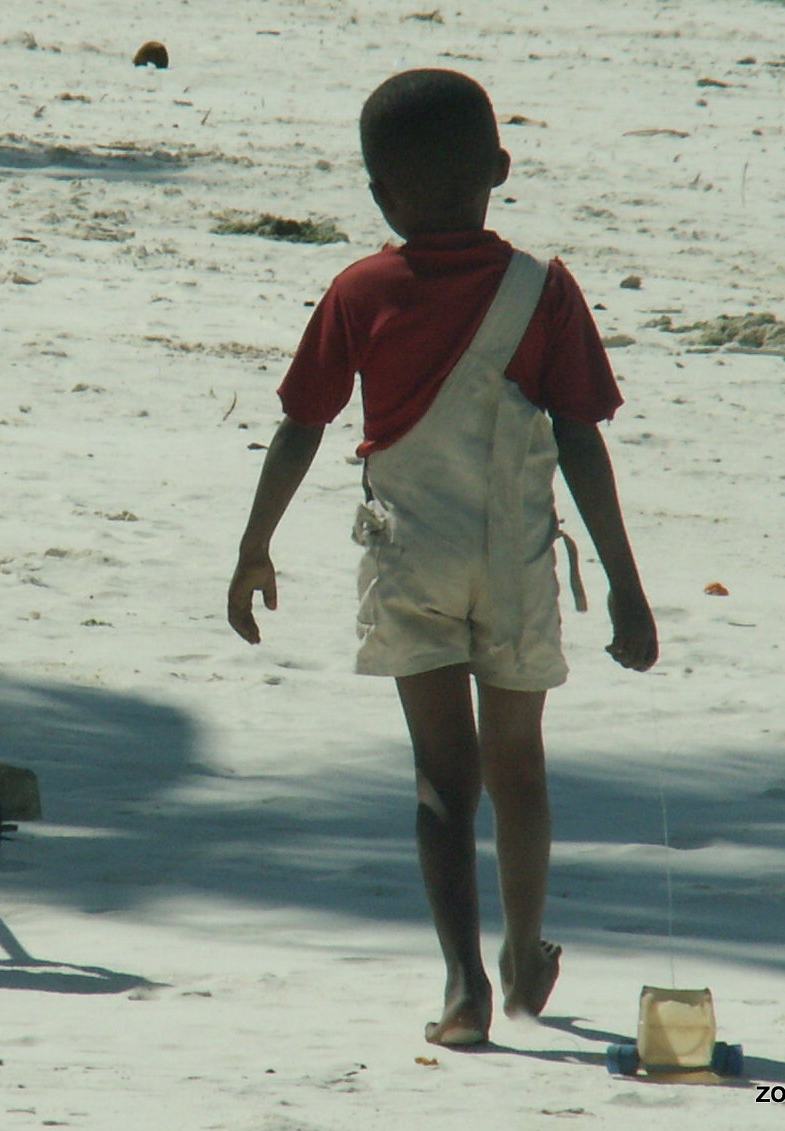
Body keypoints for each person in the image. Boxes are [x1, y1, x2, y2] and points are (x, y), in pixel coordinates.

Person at [227, 69, 657, 1047]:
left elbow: (302, 424)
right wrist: (627, 591)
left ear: (380, 193)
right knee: (519, 765)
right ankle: (526, 946)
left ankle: (463, 985)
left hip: (410, 558)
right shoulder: (543, 295)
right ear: (499, 169)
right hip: (512, 561)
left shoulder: (361, 290)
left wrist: (254, 546)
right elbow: (583, 440)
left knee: (440, 776)